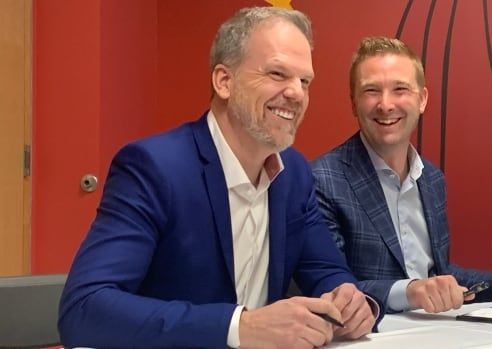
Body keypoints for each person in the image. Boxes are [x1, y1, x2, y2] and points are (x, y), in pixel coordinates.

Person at [58, 7, 377, 348]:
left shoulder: (294, 173)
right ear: (225, 81)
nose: (297, 93)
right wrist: (242, 327)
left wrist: (352, 302)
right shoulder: (154, 167)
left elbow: (327, 272)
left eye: (304, 81)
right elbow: (84, 308)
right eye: (277, 73)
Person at [311, 36, 492, 314]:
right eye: (371, 91)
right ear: (353, 103)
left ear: (422, 99)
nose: (386, 105)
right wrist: (411, 291)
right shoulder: (323, 180)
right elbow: (330, 290)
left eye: (400, 89)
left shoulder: (432, 179)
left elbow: (439, 275)